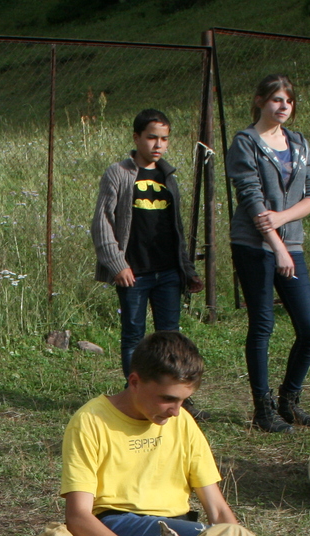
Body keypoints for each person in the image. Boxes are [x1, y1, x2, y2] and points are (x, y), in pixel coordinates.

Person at [60, 331, 238, 536]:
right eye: (167, 398)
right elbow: (78, 517)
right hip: (118, 524)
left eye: (183, 401)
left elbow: (218, 509)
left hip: (177, 526)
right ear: (134, 382)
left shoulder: (183, 422)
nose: (176, 411)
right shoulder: (90, 422)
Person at [228, 75, 310, 433]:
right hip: (254, 245)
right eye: (275, 100)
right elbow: (252, 199)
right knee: (263, 324)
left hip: (291, 243)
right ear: (259, 102)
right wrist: (277, 246)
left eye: (287, 101)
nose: (282, 106)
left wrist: (284, 219)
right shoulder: (245, 142)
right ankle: (262, 408)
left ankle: (289, 401)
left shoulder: (298, 144)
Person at [91, 108, 205, 379]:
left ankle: (171, 391)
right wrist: (117, 264)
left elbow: (176, 229)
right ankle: (136, 395)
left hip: (168, 271)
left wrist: (186, 270)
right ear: (136, 137)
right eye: (152, 137)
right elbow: (101, 223)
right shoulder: (118, 173)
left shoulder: (168, 177)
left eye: (164, 139)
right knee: (133, 334)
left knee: (170, 336)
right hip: (134, 273)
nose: (158, 145)